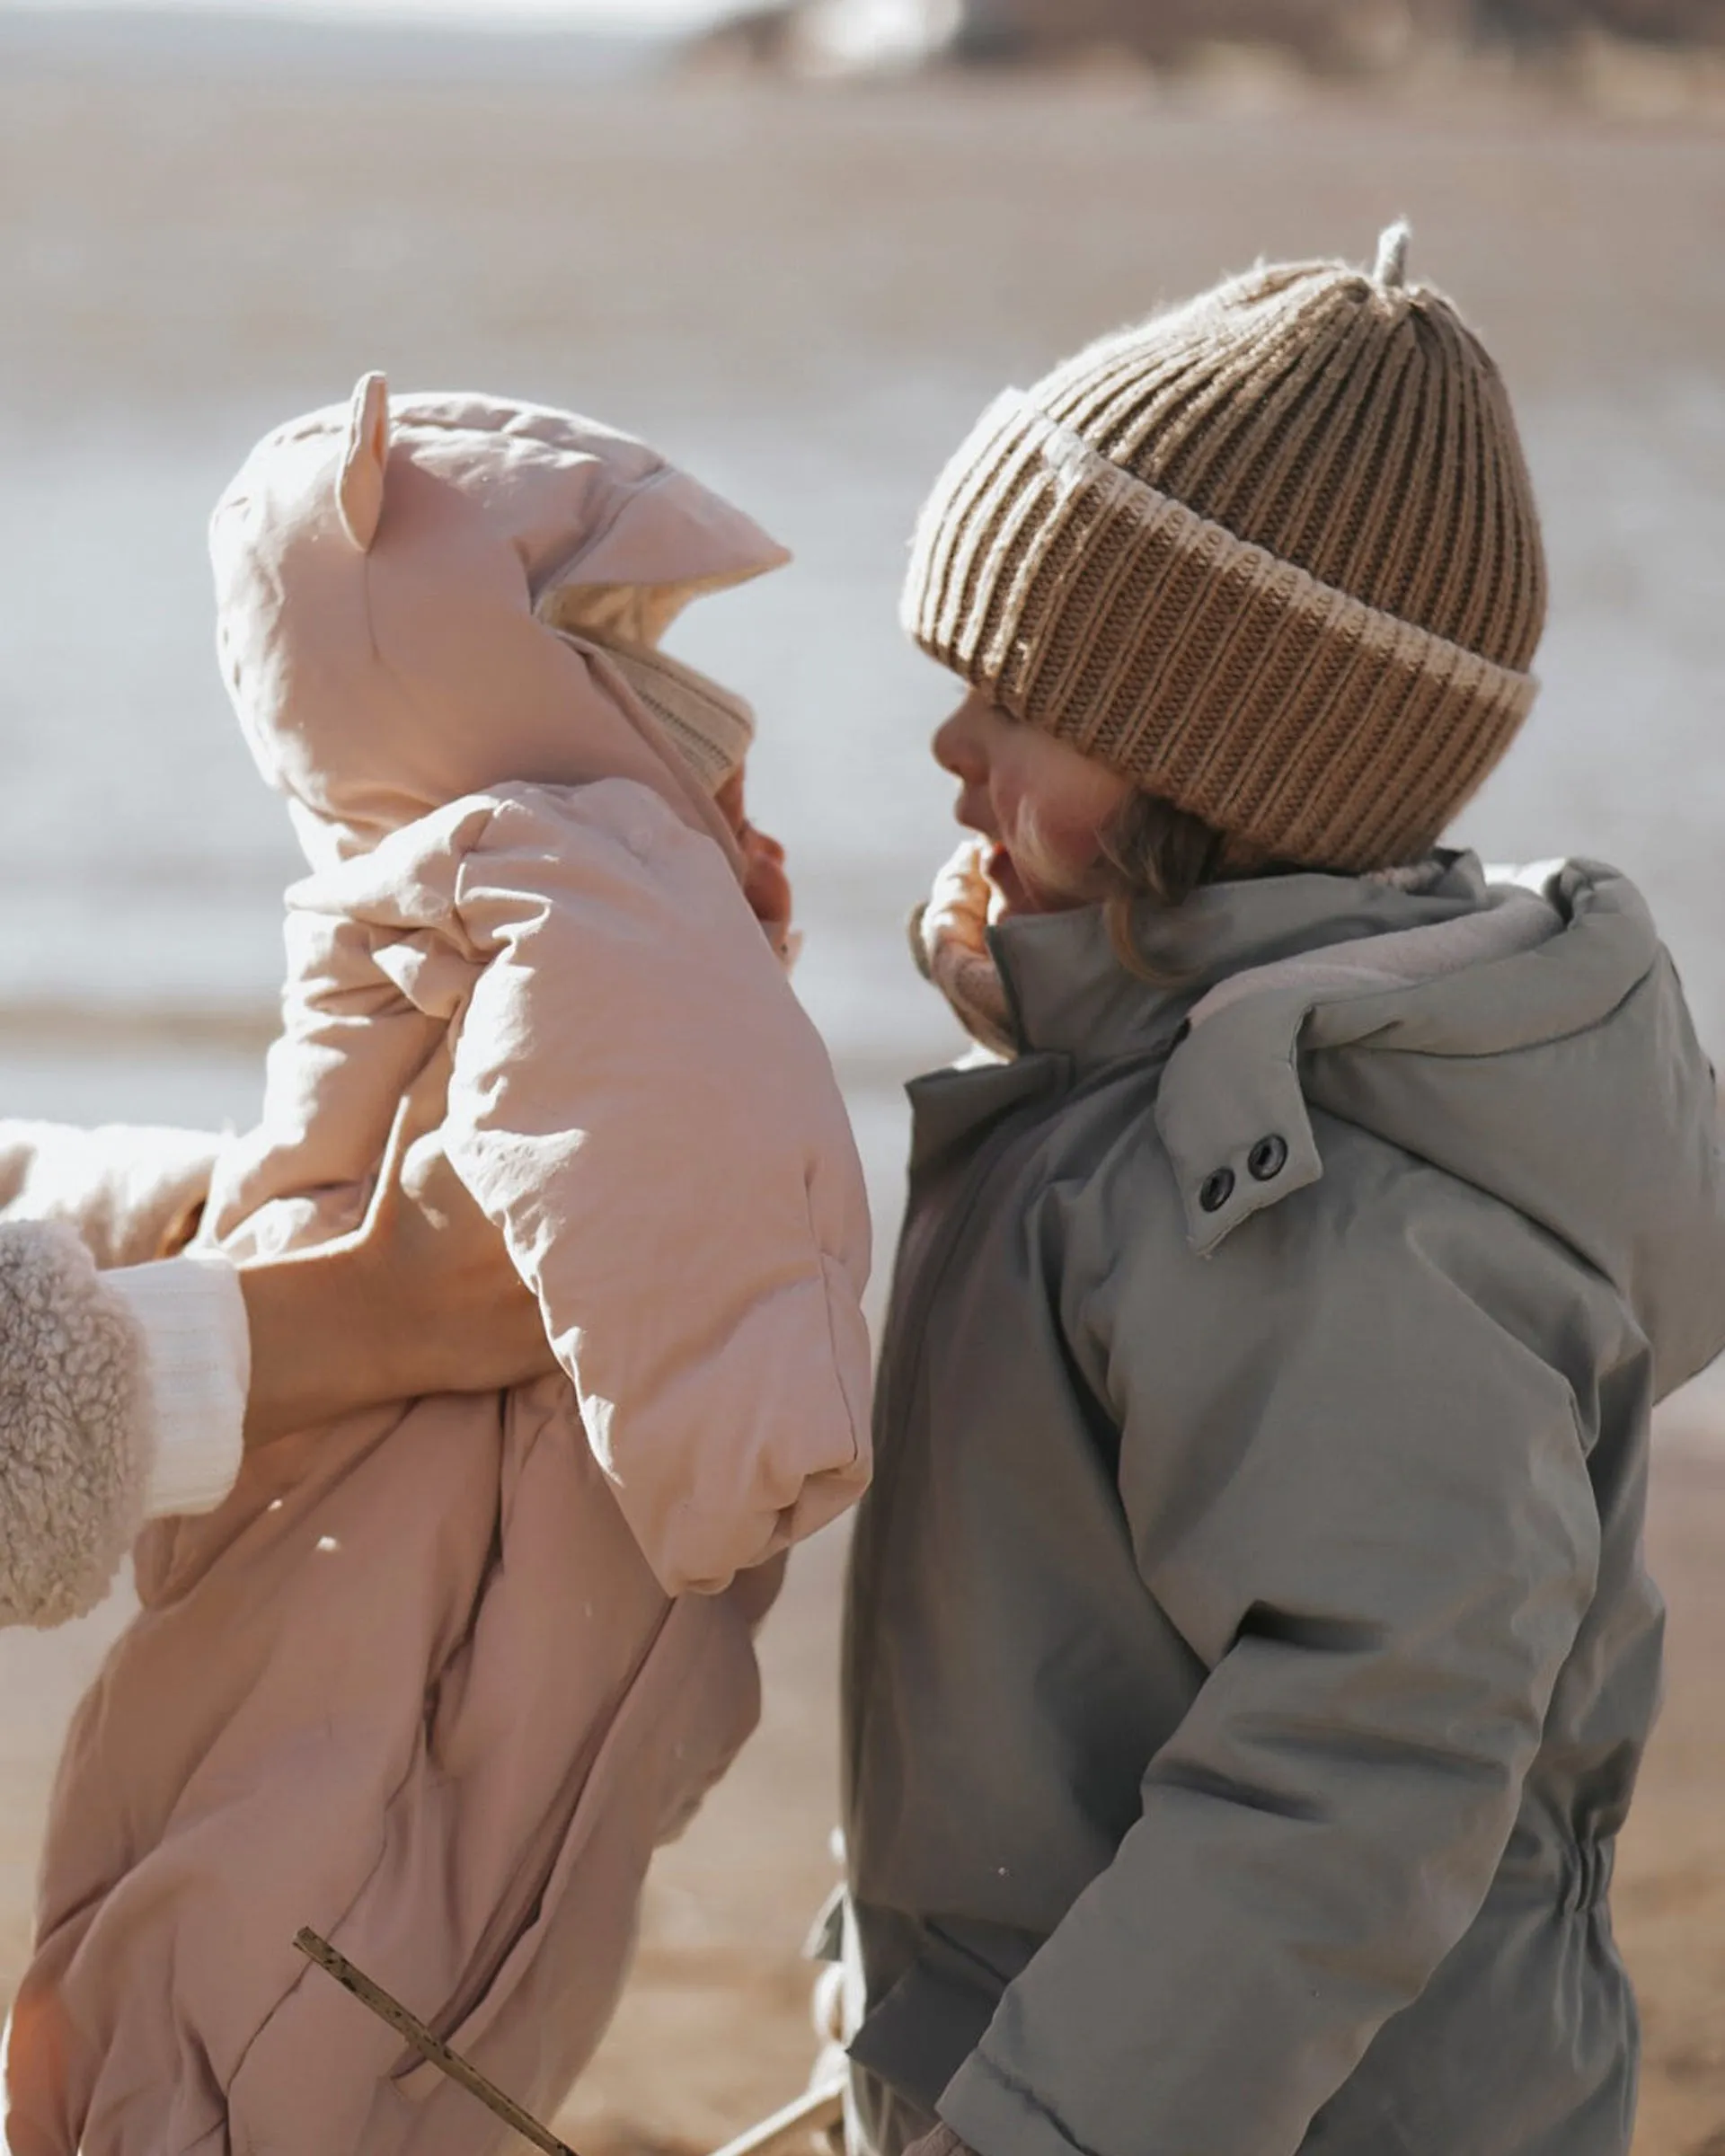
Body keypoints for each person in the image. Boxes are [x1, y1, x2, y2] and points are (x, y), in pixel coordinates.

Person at [829, 226, 1725, 2156]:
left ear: (1207, 766)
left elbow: (1365, 1760)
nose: (949, 743)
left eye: (1014, 696)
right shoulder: (1169, 1090)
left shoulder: (1345, 1218)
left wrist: (1041, 2127)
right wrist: (1043, 989)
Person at [1, 377, 871, 2156]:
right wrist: (745, 1420)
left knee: (266, 1903)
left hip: (399, 1614)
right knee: (301, 1929)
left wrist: (193, 1262)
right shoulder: (555, 873)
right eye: (618, 633)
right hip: (407, 1642)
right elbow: (635, 1189)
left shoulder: (446, 891)